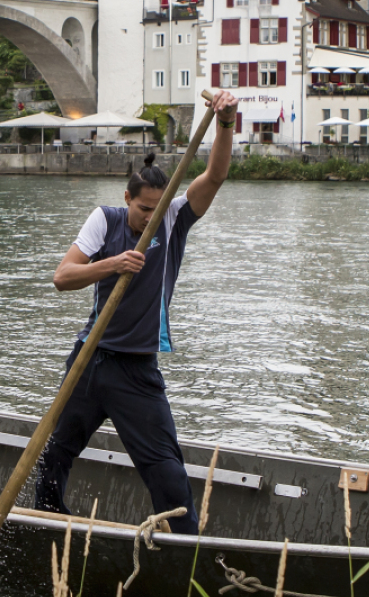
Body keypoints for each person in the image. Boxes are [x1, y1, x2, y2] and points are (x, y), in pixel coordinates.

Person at [35, 91, 239, 533]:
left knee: (166, 468)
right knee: (54, 454)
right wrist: (112, 264)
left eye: (157, 209)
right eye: (144, 209)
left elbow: (216, 175)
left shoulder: (175, 218)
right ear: (127, 197)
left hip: (136, 370)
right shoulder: (105, 220)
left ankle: (184, 542)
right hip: (90, 360)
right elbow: (63, 277)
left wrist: (226, 122)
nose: (150, 217)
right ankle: (47, 524)